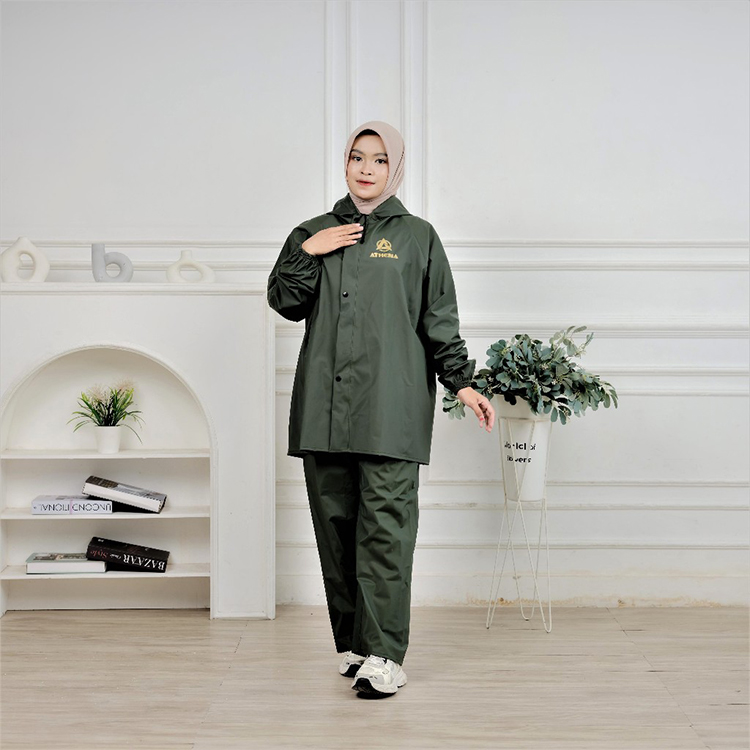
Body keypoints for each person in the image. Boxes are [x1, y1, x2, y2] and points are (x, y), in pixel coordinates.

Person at [267, 120, 495, 698]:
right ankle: (355, 646)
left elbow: (438, 316)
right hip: (323, 411)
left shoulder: (418, 237)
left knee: (385, 533)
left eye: (378, 159)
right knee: (336, 532)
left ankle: (387, 655)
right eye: (356, 157)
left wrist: (462, 383)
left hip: (391, 411)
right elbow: (285, 302)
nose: (366, 168)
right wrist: (307, 252)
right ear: (344, 163)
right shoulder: (312, 231)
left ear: (395, 168)